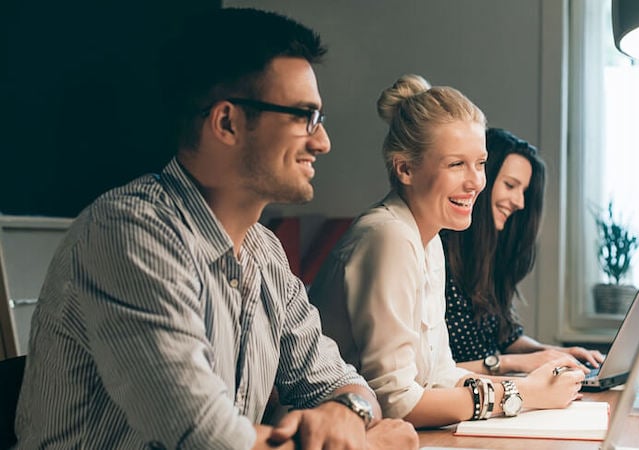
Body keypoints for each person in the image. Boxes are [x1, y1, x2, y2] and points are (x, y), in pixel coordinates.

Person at [14, 8, 416, 450]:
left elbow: (342, 384)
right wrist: (367, 443)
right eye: (305, 116)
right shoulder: (130, 233)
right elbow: (206, 441)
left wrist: (348, 414)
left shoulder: (264, 250)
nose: (322, 142)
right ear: (227, 123)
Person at [309, 74, 585, 429]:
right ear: (405, 168)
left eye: (481, 163)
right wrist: (526, 395)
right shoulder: (388, 236)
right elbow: (395, 402)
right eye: (456, 164)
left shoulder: (429, 240)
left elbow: (439, 375)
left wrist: (534, 386)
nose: (475, 182)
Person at [441, 128, 604, 376]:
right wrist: (512, 363)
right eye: (510, 185)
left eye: (524, 191)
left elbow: (507, 339)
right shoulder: (438, 253)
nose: (520, 202)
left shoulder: (488, 255)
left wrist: (556, 354)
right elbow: (430, 375)